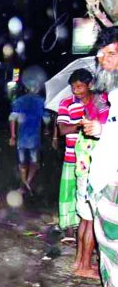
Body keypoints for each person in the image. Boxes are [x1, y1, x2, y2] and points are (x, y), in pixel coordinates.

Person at [73, 26, 118, 287]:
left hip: (115, 181)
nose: (104, 60)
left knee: (115, 249)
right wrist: (102, 131)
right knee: (106, 249)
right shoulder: (114, 93)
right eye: (102, 54)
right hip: (103, 179)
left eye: (112, 54)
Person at [68, 69, 109, 278]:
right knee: (91, 220)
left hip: (83, 166)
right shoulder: (101, 104)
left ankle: (80, 262)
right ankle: (84, 266)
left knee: (85, 219)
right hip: (90, 168)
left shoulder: (89, 106)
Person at [57, 69, 99, 243]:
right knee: (68, 193)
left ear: (89, 85)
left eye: (80, 86)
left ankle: (90, 230)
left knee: (89, 195)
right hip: (71, 155)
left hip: (93, 158)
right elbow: (62, 129)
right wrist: (80, 126)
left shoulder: (100, 103)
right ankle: (68, 228)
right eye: (73, 87)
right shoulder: (66, 103)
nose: (76, 90)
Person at [8, 83, 45, 195]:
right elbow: (46, 118)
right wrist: (48, 129)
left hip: (22, 137)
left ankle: (24, 183)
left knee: (22, 162)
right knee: (34, 161)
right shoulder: (41, 102)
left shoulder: (19, 101)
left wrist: (13, 136)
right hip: (34, 137)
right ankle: (26, 183)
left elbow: (12, 119)